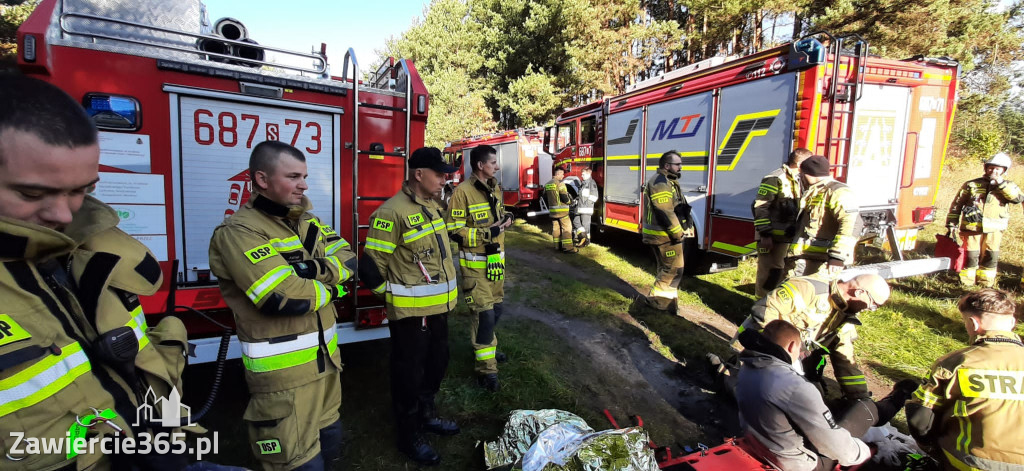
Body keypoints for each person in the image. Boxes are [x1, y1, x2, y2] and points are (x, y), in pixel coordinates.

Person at [0, 75, 194, 469]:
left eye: (82, 189)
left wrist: (175, 439)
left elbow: (137, 373)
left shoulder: (92, 248)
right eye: (32, 194)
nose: (64, 215)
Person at [209, 140, 354, 470]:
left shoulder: (307, 221)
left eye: (304, 176)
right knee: (299, 463)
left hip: (327, 365)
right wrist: (333, 290)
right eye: (293, 176)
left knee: (330, 444)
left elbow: (349, 258)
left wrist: (310, 271)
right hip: (283, 383)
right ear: (262, 179)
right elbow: (283, 297)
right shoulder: (239, 232)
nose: (304, 185)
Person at [359, 147, 461, 466]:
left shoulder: (432, 206)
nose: (445, 179)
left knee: (438, 363)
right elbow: (370, 267)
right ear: (419, 174)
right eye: (439, 174)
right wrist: (393, 301)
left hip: (438, 311)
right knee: (408, 376)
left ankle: (426, 416)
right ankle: (408, 436)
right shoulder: (392, 213)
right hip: (411, 317)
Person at [723, 273, 891, 402]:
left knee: (812, 400)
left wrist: (860, 397)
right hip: (759, 347)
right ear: (860, 292)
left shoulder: (845, 317)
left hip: (792, 363)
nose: (871, 309)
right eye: (874, 304)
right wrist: (785, 354)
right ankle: (731, 373)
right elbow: (764, 311)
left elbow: (845, 360)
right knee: (751, 398)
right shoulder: (808, 289)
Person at [906, 289, 1024, 470]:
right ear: (1012, 322)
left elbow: (919, 418)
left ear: (973, 323)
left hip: (971, 462)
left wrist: (929, 447)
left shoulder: (956, 363)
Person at [735, 320, 872, 471]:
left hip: (758, 443)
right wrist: (863, 453)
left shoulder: (748, 366)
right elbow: (832, 444)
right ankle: (894, 401)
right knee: (865, 409)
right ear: (792, 346)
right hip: (793, 463)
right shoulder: (794, 385)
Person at [445, 145, 513, 392]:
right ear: (479, 165)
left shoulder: (494, 186)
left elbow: (498, 216)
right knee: (483, 316)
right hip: (475, 268)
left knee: (496, 311)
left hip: (496, 264)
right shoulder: (461, 193)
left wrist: (507, 218)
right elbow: (454, 231)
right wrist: (489, 232)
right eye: (493, 162)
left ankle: (488, 349)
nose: (497, 166)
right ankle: (487, 371)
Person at [945, 152, 1023, 287]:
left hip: (995, 228)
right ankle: (966, 283)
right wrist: (951, 224)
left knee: (990, 256)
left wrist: (1001, 184)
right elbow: (957, 205)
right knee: (970, 255)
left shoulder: (1008, 186)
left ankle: (986, 284)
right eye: (991, 167)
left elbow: (1017, 199)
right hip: (971, 227)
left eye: (998, 168)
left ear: (1004, 170)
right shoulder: (972, 184)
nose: (993, 171)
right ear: (986, 168)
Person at [786, 155, 858, 278]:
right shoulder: (815, 190)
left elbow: (851, 225)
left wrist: (837, 256)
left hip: (824, 262)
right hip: (806, 257)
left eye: (801, 174)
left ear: (806, 173)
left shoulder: (838, 192)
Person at [641, 151, 695, 312]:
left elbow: (677, 208)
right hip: (663, 236)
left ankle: (668, 302)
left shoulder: (669, 182)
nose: (680, 167)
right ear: (666, 165)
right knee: (672, 269)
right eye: (677, 164)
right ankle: (657, 301)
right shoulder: (660, 182)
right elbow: (664, 210)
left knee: (668, 268)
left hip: (665, 235)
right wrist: (677, 233)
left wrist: (687, 225)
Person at [753, 148, 811, 297]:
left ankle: (775, 306)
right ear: (799, 163)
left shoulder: (799, 179)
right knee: (769, 274)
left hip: (788, 237)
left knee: (784, 272)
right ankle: (761, 310)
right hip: (771, 238)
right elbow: (761, 207)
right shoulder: (775, 178)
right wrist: (765, 234)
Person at [543, 166, 575, 253]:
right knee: (567, 228)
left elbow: (544, 197)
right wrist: (570, 202)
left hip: (552, 212)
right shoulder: (560, 184)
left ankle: (556, 246)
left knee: (556, 228)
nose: (563, 176)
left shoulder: (547, 184)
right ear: (558, 173)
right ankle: (568, 247)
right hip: (562, 212)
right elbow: (564, 197)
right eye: (562, 174)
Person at [572, 167, 599, 247]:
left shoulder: (591, 183)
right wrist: (575, 201)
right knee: (576, 222)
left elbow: (594, 197)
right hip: (580, 208)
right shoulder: (583, 183)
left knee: (585, 226)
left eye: (583, 174)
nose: (581, 175)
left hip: (586, 209)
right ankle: (583, 238)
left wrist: (586, 204)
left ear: (588, 174)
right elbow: (580, 196)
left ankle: (586, 241)